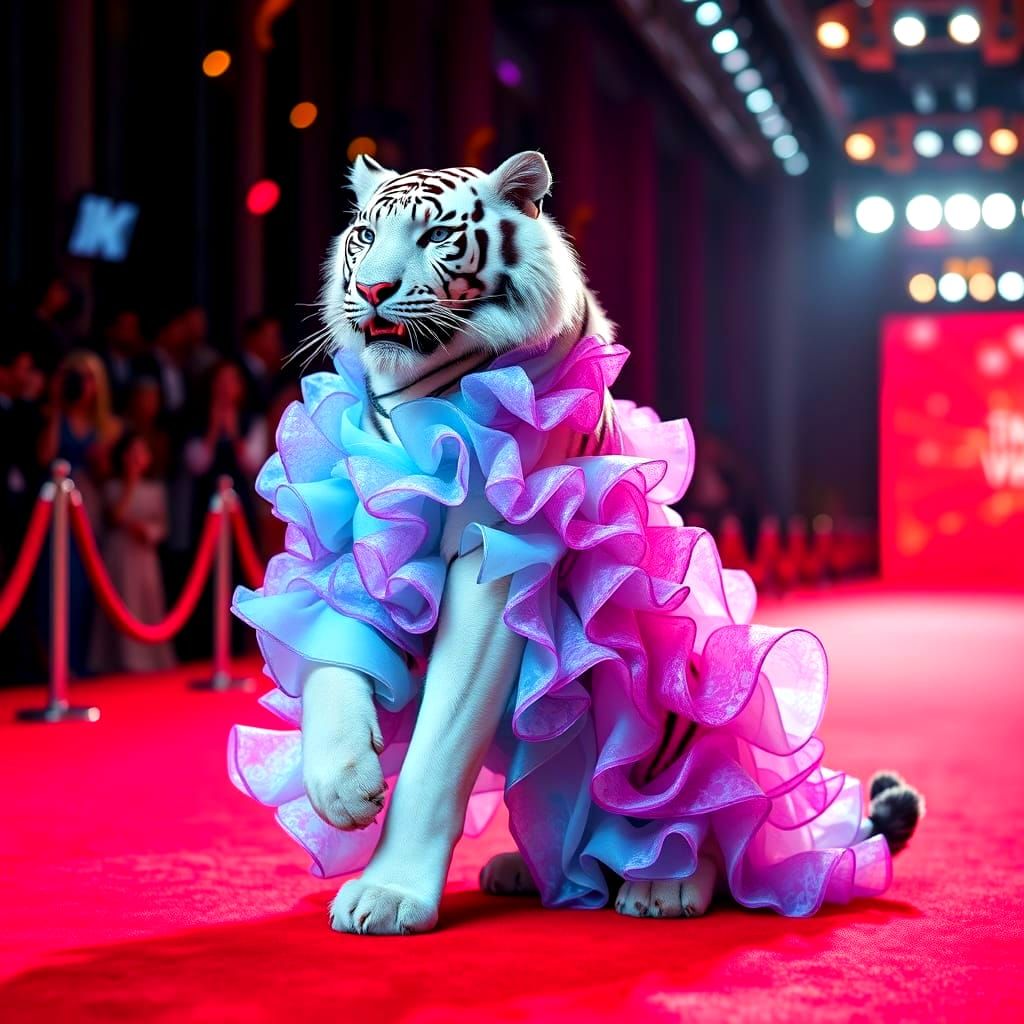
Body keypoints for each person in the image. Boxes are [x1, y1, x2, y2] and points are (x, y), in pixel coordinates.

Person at [36, 350, 122, 677]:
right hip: (54, 517)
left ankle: (79, 663)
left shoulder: (108, 427)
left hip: (89, 515)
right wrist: (58, 404)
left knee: (85, 589)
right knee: (54, 587)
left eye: (88, 377)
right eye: (75, 377)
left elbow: (108, 477)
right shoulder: (54, 417)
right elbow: (45, 456)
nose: (81, 384)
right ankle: (55, 665)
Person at [89, 432, 175, 674]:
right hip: (120, 555)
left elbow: (163, 525)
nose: (137, 458)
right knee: (121, 601)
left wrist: (148, 532)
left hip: (145, 555)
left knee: (147, 603)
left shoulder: (155, 489)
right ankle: (119, 658)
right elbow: (114, 517)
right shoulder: (112, 487)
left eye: (141, 452)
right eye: (132, 453)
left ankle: (149, 658)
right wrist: (130, 483)